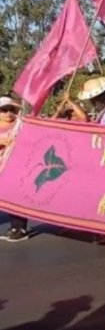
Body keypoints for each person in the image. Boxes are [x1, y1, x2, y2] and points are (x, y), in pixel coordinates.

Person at [0, 96, 30, 242]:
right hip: (2, 167)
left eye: (11, 110)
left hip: (18, 166)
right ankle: (13, 226)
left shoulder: (21, 125)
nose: (8, 113)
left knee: (17, 197)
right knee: (7, 198)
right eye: (4, 110)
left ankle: (21, 228)